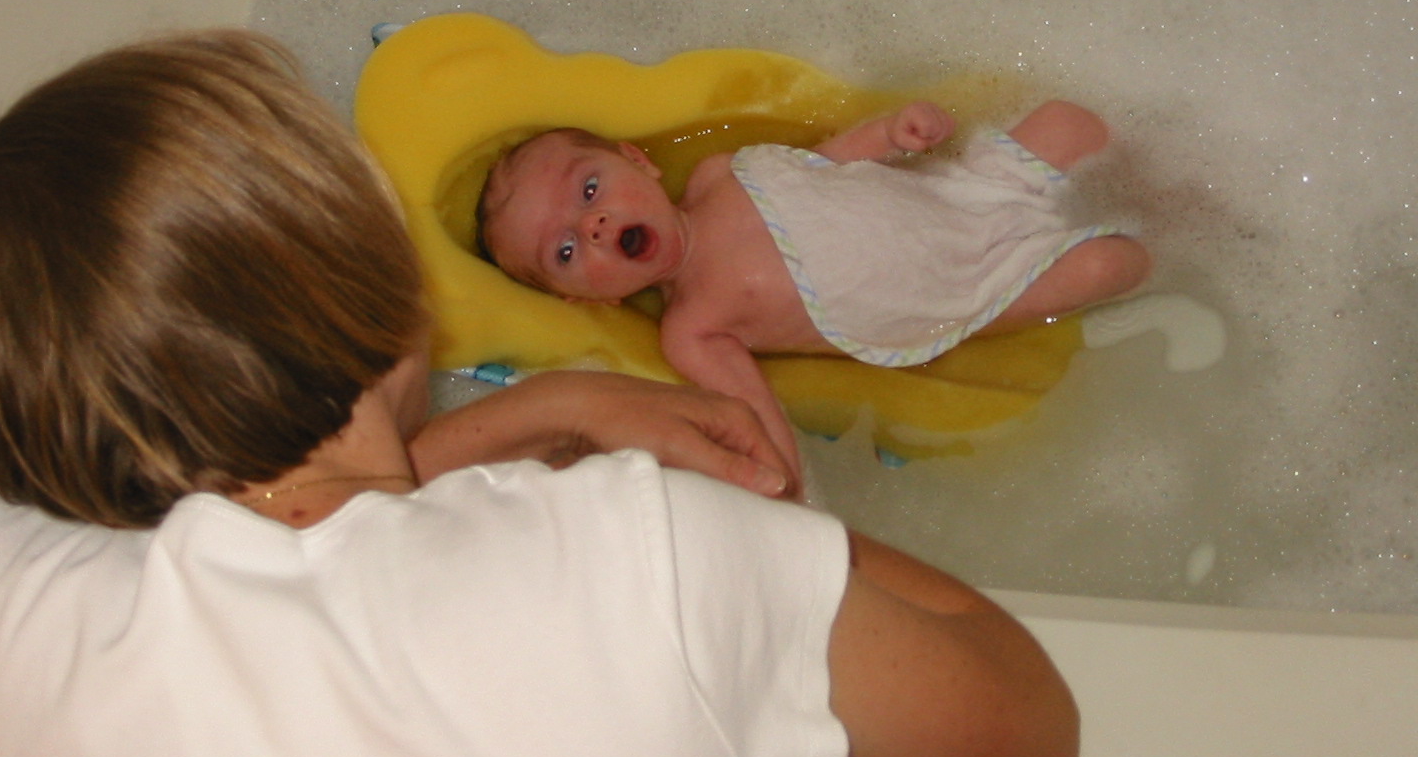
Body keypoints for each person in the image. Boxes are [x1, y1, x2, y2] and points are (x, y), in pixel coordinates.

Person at [0, 31, 1078, 757]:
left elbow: (292, 539)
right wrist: (770, 545)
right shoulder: (642, 556)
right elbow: (1024, 729)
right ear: (384, 285)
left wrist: (553, 405)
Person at [476, 101, 1150, 477]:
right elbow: (753, 414)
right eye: (566, 251)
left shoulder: (718, 175)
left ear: (637, 161)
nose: (592, 225)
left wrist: (888, 134)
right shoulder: (692, 327)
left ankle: (1171, 187)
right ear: (590, 300)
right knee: (1107, 266)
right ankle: (1155, 242)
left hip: (959, 194)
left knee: (1069, 122)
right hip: (969, 290)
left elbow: (818, 168)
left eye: (590, 189)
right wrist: (785, 489)